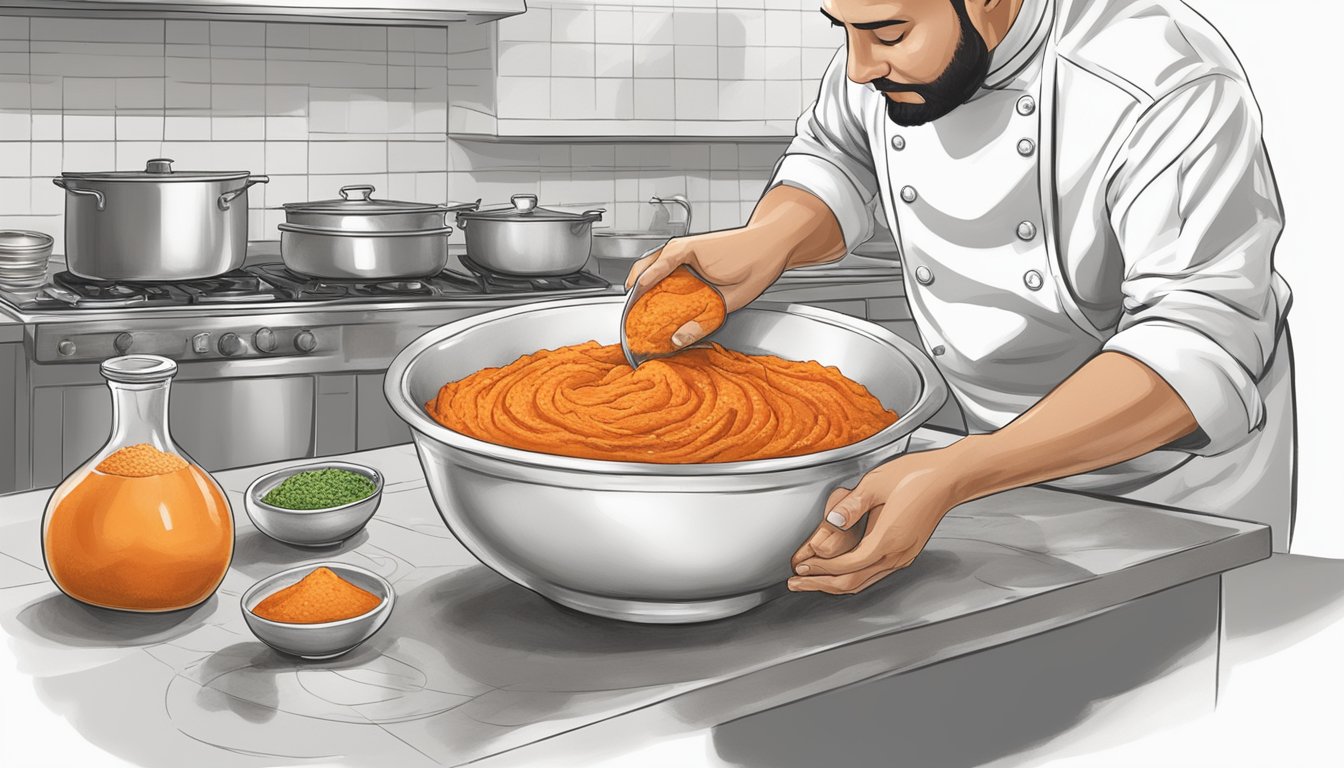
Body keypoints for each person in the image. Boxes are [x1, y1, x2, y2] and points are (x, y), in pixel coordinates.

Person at [627, 0, 1295, 595]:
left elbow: (1197, 345)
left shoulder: (1163, 81)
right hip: (983, 469)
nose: (859, 67)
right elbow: (838, 158)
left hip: (1175, 490)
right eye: (846, 31)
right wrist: (768, 239)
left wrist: (959, 471)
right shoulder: (888, 60)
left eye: (886, 33)